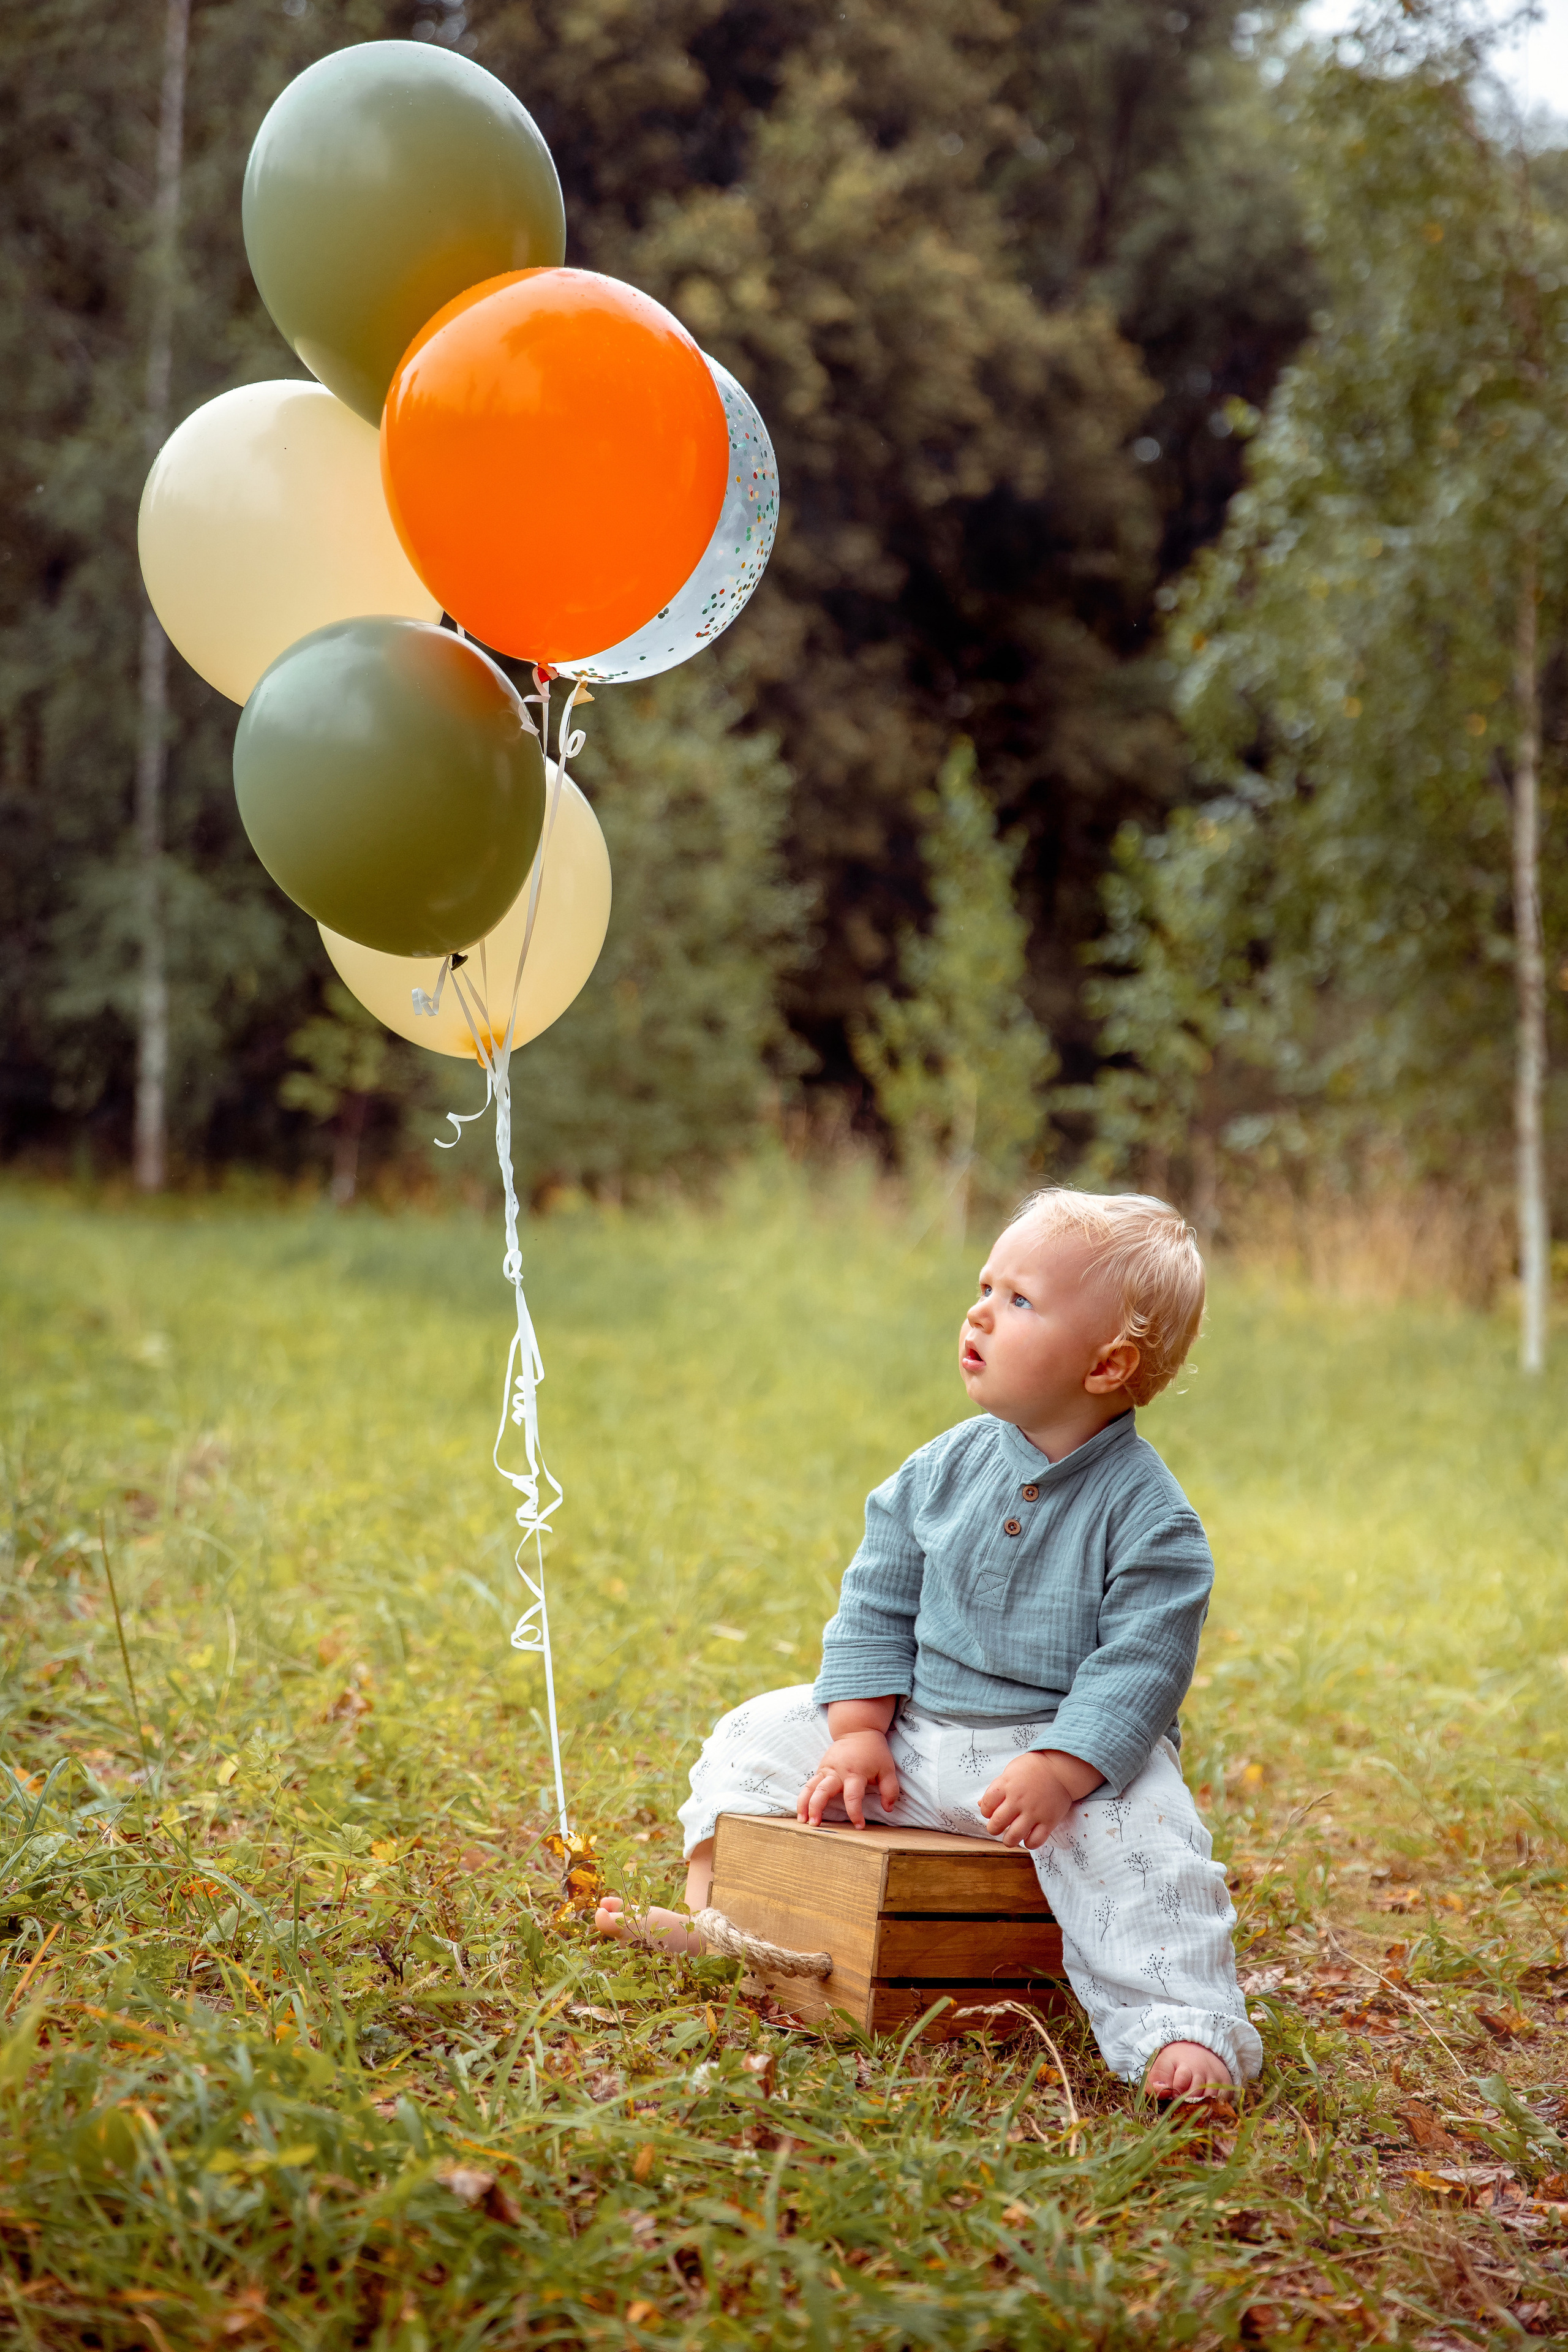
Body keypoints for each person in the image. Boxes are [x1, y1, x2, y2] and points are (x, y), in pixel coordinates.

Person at [597, 1188, 1262, 2098]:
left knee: (1149, 1848)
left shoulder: (1152, 1520)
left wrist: (1064, 1767)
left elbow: (1140, 1669)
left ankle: (1179, 2027)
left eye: (1020, 1301)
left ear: (1108, 1364)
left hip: (1053, 1758)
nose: (980, 1311)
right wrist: (860, 1730)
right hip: (914, 1735)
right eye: (985, 1285)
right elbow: (876, 1601)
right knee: (755, 1735)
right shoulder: (940, 1469)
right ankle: (718, 1917)